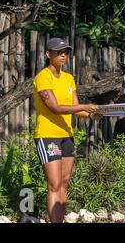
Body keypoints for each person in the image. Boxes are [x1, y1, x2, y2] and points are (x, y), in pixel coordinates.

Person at [33, 37, 102, 223]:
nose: (63, 55)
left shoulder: (69, 78)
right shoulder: (43, 77)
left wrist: (90, 114)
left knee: (64, 182)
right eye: (58, 52)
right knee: (54, 184)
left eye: (65, 52)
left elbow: (76, 108)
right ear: (48, 54)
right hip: (48, 136)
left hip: (66, 136)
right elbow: (54, 107)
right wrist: (85, 107)